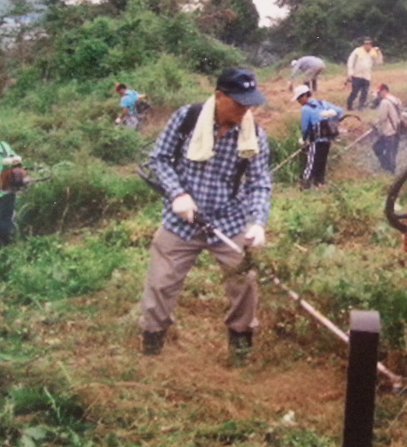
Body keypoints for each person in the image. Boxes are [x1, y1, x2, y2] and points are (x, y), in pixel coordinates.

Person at [139, 68, 271, 361]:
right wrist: (178, 194)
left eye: (249, 103)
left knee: (245, 282)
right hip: (182, 222)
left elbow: (259, 183)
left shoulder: (255, 135)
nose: (245, 110)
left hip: (229, 220)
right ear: (219, 96)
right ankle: (151, 347)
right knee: (161, 284)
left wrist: (258, 223)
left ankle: (240, 350)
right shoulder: (187, 118)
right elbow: (159, 158)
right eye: (238, 103)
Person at [292, 84, 344, 189]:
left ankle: (306, 183)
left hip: (315, 140)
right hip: (327, 139)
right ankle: (319, 183)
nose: (298, 101)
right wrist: (332, 114)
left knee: (312, 161)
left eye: (298, 98)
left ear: (304, 96)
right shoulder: (322, 103)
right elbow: (340, 111)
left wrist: (303, 139)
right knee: (322, 161)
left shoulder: (306, 109)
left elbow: (305, 127)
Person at [371, 84, 402, 173]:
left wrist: (375, 124)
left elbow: (382, 118)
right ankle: (389, 169)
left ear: (384, 90)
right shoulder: (397, 100)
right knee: (392, 153)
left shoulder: (385, 102)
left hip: (388, 132)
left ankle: (388, 170)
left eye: (379, 92)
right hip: (397, 130)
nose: (379, 94)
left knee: (378, 148)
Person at [346, 37, 383, 111]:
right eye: (366, 44)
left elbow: (379, 62)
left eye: (369, 44)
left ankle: (361, 106)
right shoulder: (357, 51)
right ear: (364, 44)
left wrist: (379, 53)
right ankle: (349, 105)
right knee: (355, 92)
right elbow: (350, 61)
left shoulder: (373, 52)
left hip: (367, 76)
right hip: (357, 75)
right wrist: (350, 73)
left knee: (365, 92)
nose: (368, 46)